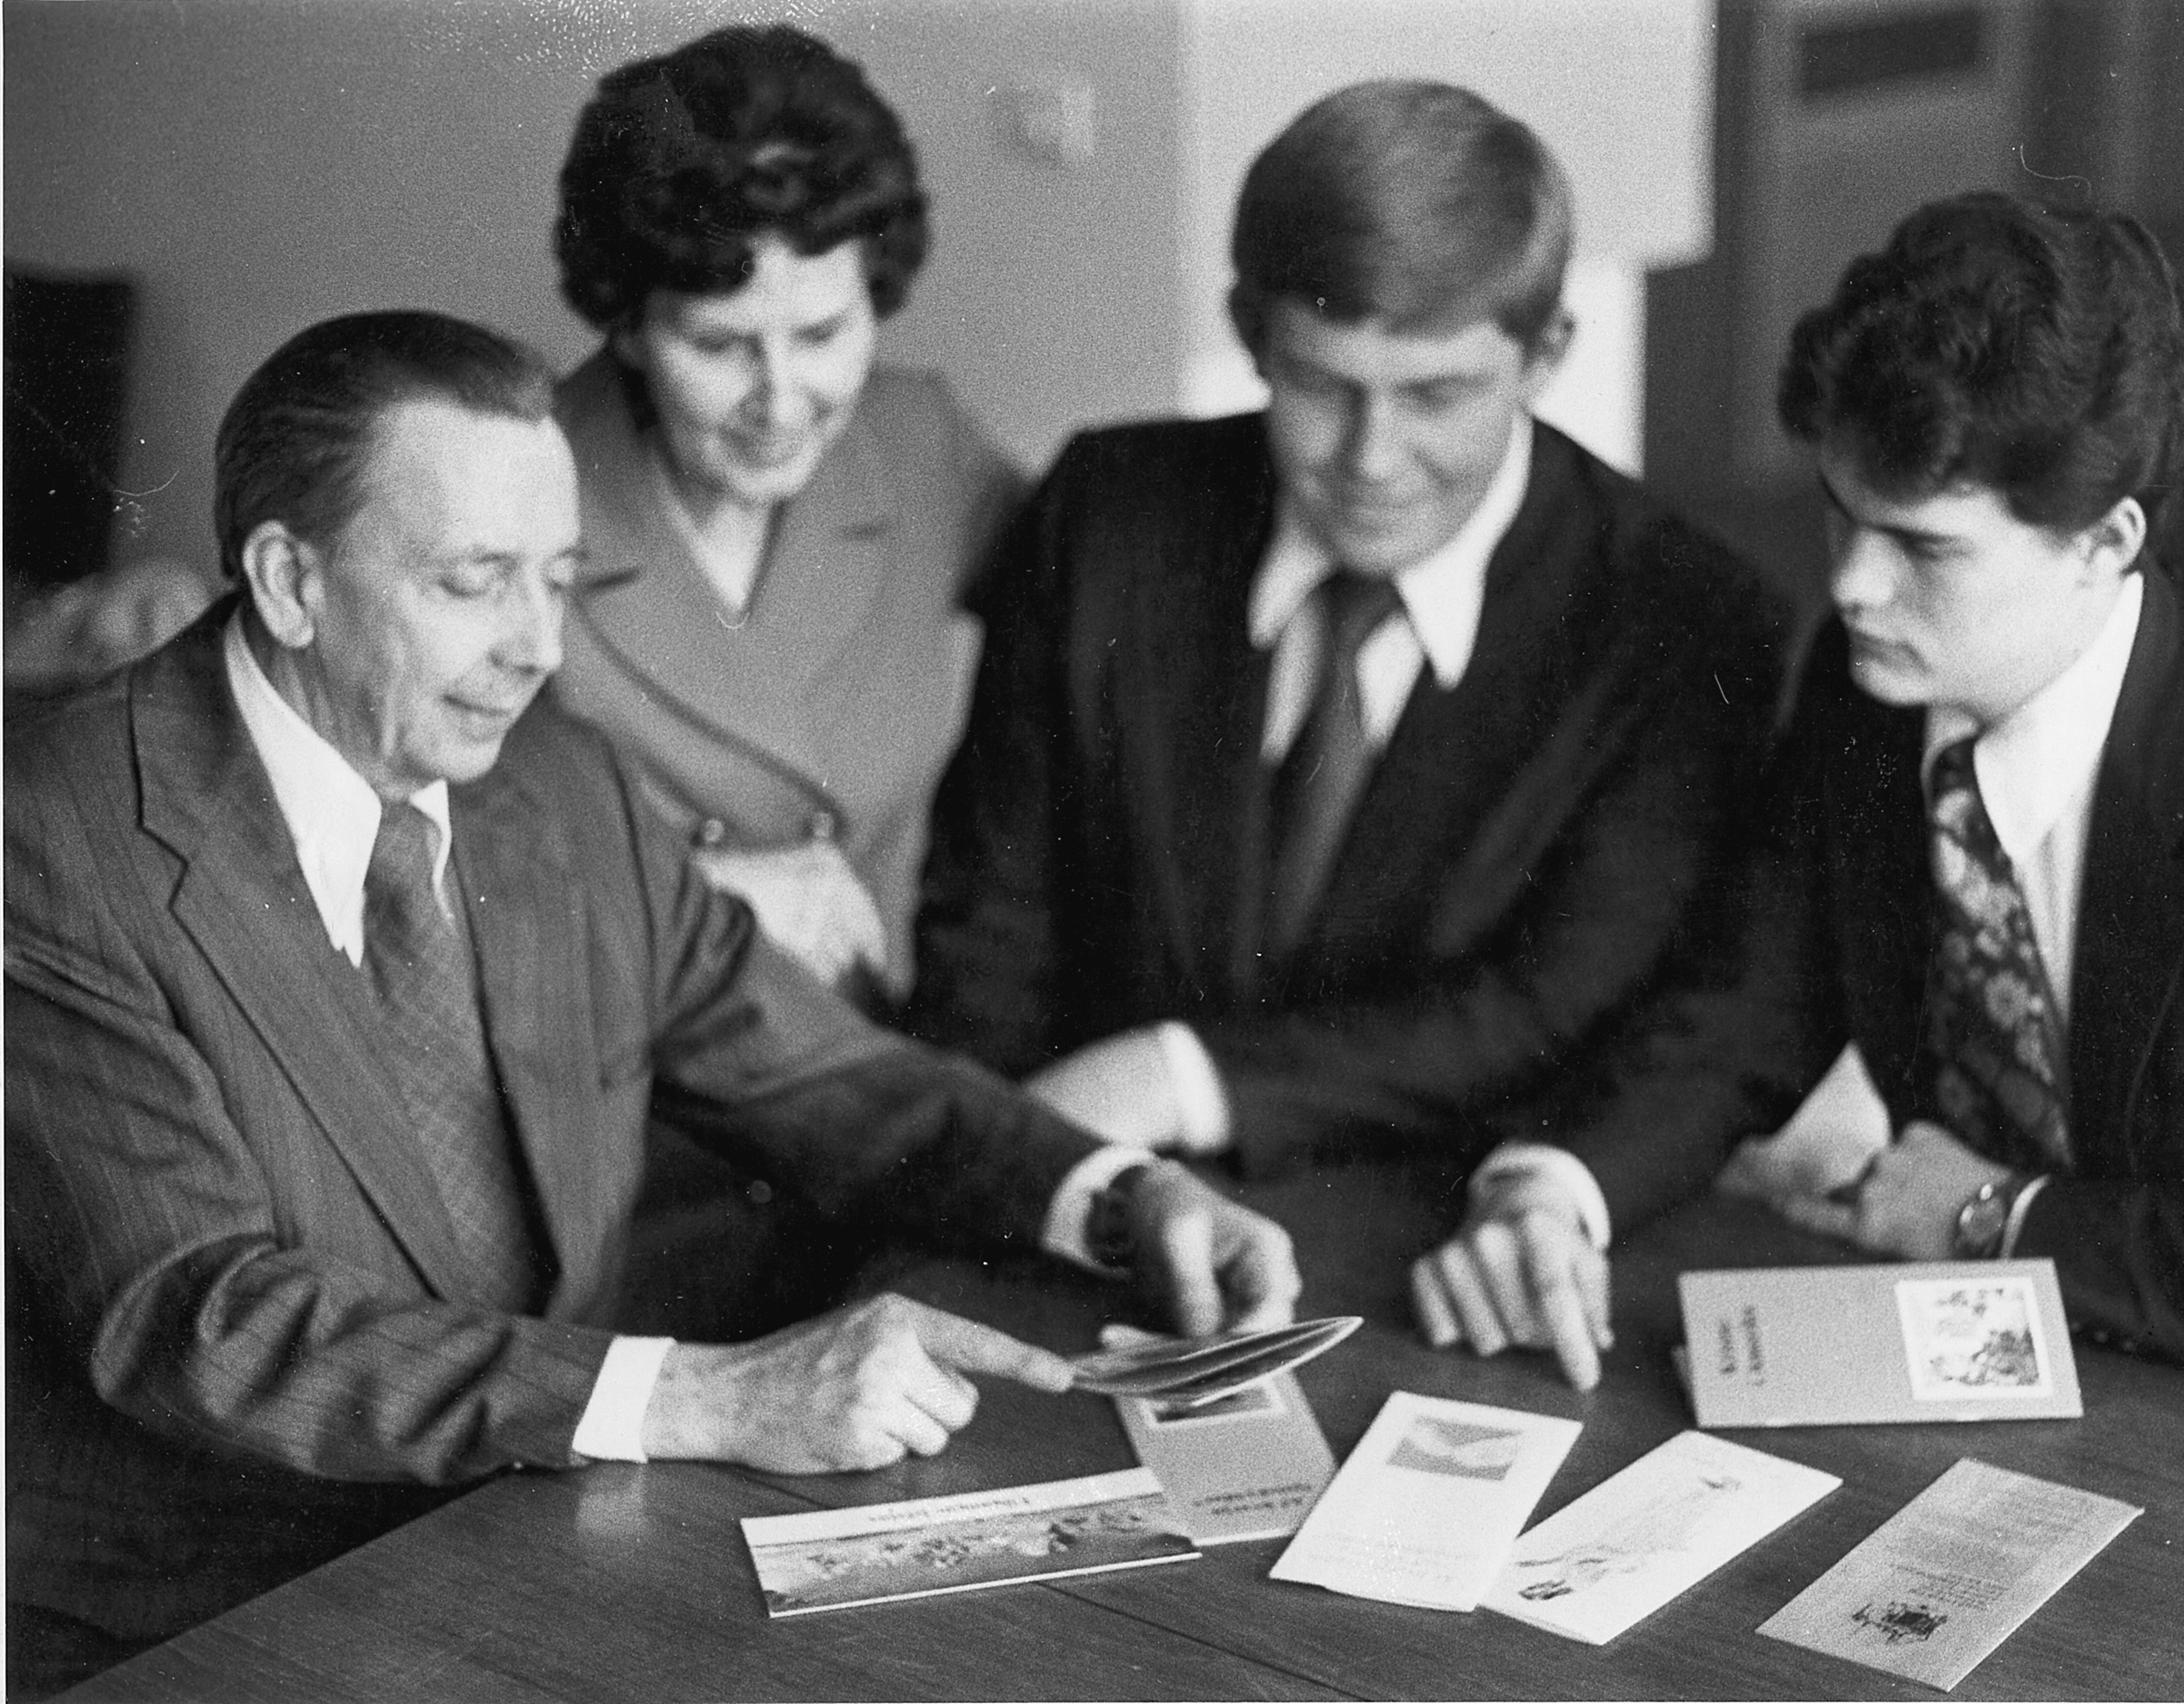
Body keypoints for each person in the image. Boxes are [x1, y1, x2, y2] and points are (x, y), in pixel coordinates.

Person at [3, 311, 1298, 1696]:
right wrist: (707, 1393)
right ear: (289, 579)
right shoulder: (54, 845)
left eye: (560, 580)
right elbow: (205, 1315)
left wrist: (1114, 1194)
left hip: (529, 1543)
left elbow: (831, 1082)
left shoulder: (562, 788)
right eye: (475, 581)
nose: (539, 648)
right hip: (198, 1614)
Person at [1412, 191, 2184, 1411]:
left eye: (1923, 548)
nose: (1855, 587)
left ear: (2105, 539)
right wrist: (1553, 1188)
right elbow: (1748, 1015)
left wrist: (1997, 1213)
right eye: (1841, 517)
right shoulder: (1867, 686)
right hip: (2011, 1378)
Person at [907, 81, 1783, 1193]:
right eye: (1322, 386)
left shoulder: (1684, 618)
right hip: (1079, 1187)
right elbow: (988, 932)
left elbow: (1548, 1005)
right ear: (1247, 336)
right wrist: (1032, 1186)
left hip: (1436, 1225)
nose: (1370, 461)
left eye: (1436, 397)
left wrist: (1174, 1079)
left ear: (1546, 354)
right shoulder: (1106, 512)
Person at [546, 24, 1025, 1334]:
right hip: (613, 1165)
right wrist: (698, 899)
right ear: (628, 325)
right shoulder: (518, 487)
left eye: (822, 332)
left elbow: (1113, 631)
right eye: (719, 343)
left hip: (872, 1130)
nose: (780, 399)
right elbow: (374, 870)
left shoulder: (917, 444)